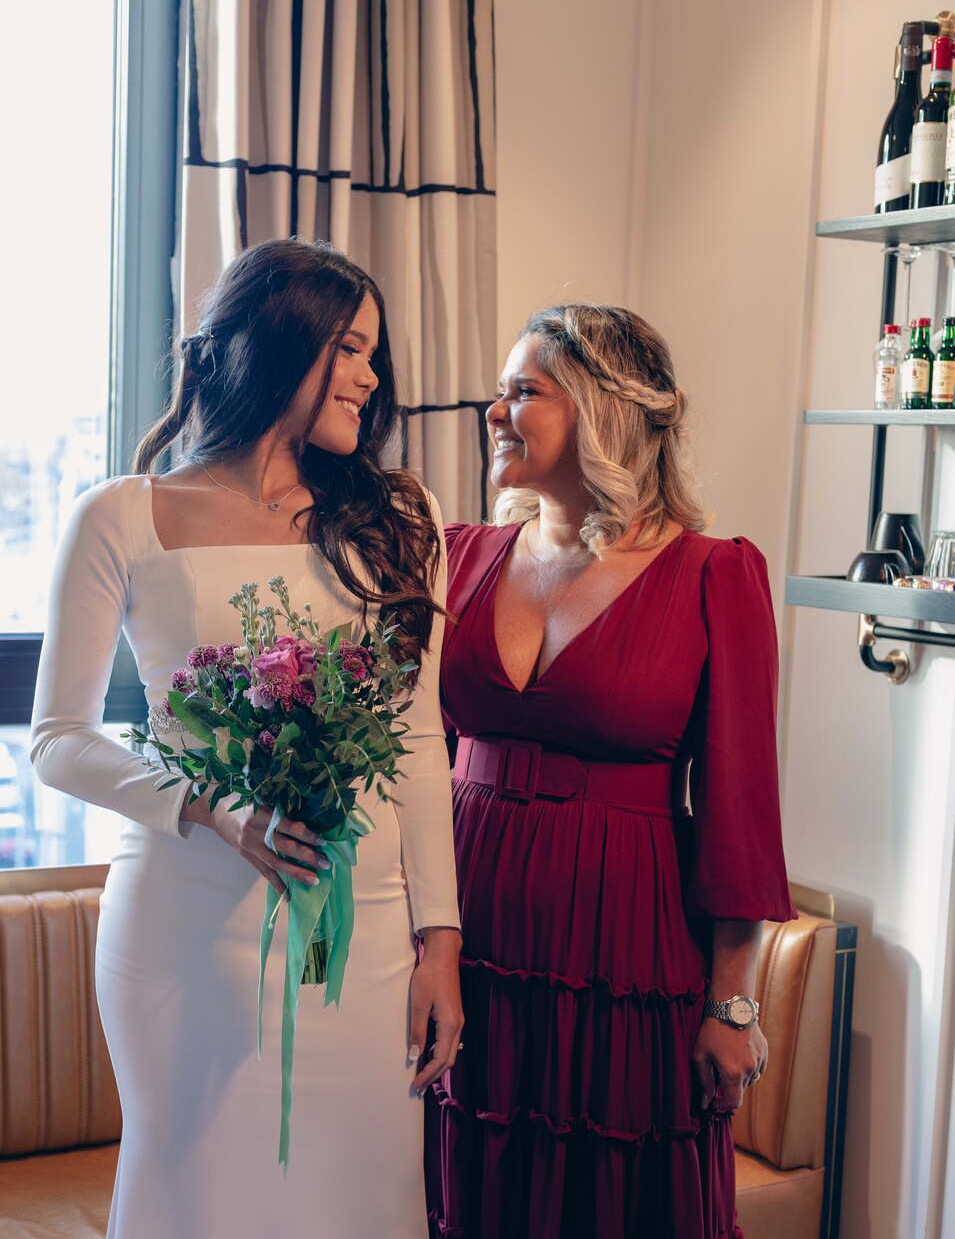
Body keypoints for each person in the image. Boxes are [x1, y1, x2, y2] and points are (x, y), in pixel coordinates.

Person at [31, 238, 464, 1239]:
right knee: (195, 1197)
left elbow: (418, 735)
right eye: (348, 348)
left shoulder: (400, 516)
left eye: (373, 355)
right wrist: (212, 806)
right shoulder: (121, 516)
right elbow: (57, 738)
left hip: (363, 936)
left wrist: (440, 939)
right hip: (184, 930)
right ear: (277, 343)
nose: (369, 376)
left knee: (363, 1200)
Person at [428, 304, 796, 1239]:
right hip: (464, 938)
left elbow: (740, 808)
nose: (493, 412)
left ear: (601, 411)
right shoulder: (460, 557)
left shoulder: (712, 575)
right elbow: (409, 762)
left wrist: (732, 1004)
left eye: (523, 391)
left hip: (621, 949)